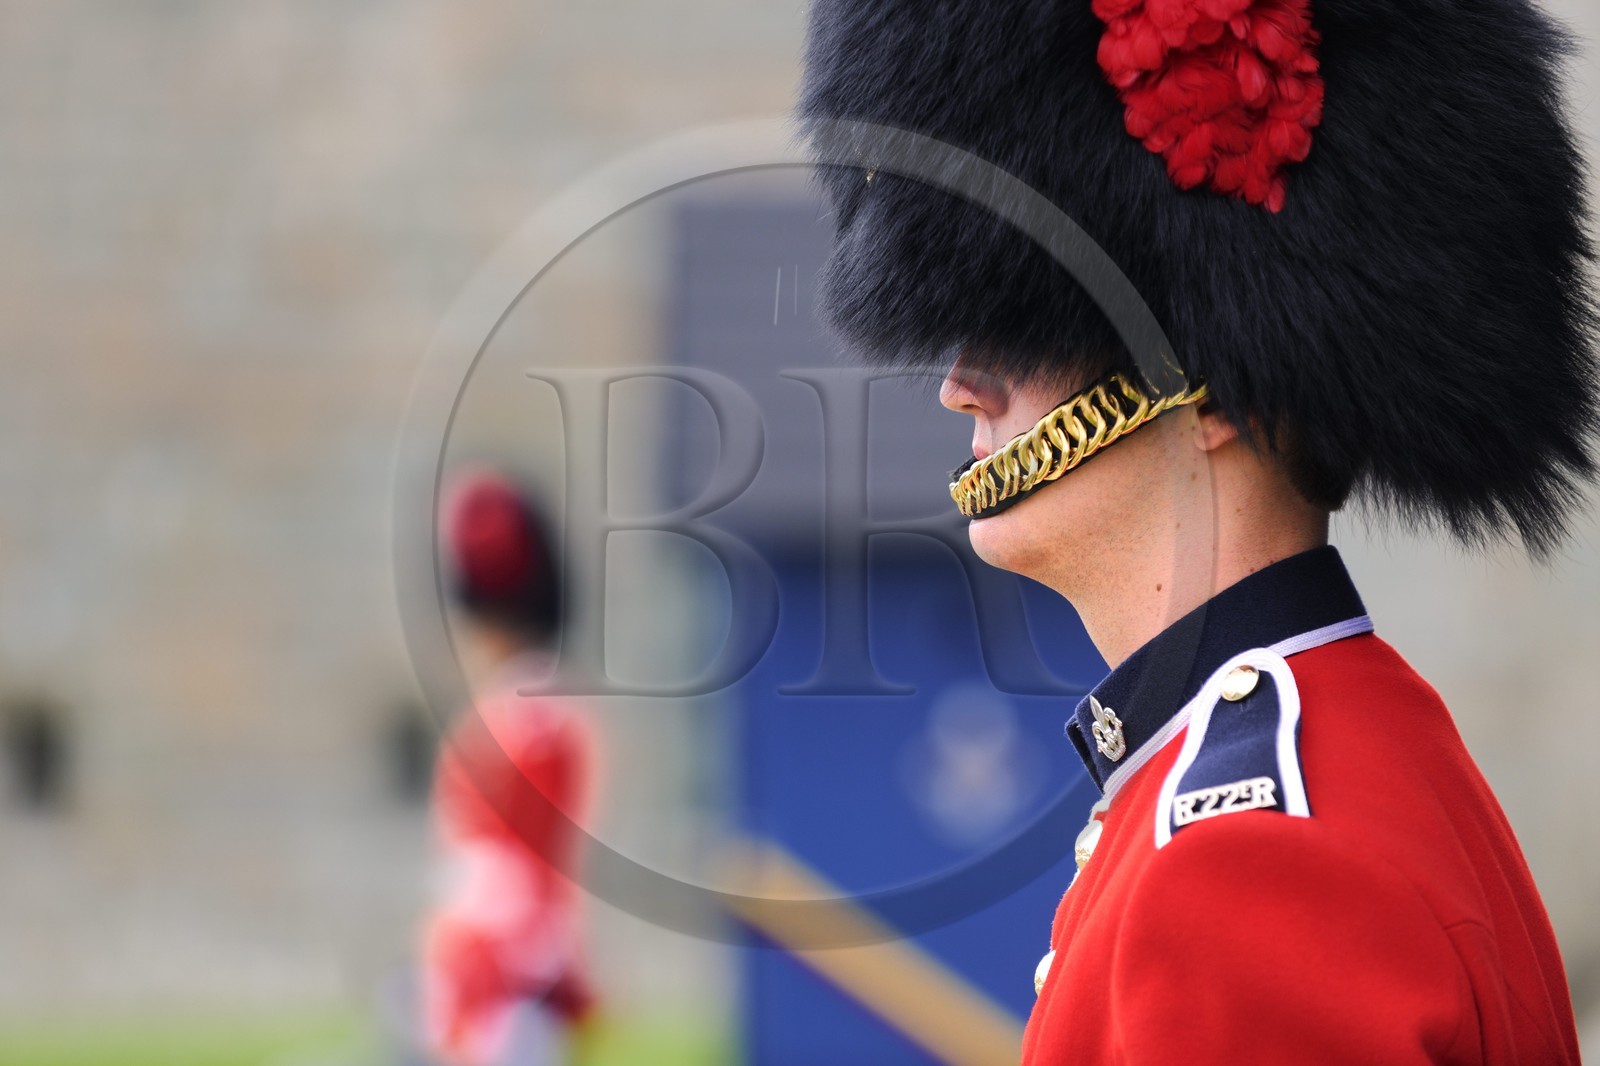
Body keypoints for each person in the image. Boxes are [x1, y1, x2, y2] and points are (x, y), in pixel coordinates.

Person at [797, 0, 1594, 1061]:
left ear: (1211, 385)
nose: (958, 385)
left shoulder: (1244, 865)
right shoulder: (1334, 755)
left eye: (1018, 321)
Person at [421, 469, 599, 1066]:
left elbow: (513, 876)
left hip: (506, 982)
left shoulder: (526, 723)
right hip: (513, 969)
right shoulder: (541, 713)